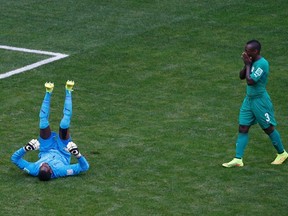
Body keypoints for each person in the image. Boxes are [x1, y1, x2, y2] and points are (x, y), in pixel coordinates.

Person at [222, 39, 288, 168]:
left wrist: (248, 65)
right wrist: (246, 64)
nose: (245, 52)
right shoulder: (251, 61)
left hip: (260, 101)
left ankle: (282, 153)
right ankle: (238, 159)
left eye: (248, 50)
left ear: (255, 51)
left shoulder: (263, 64)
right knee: (243, 127)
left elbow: (250, 81)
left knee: (268, 128)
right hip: (249, 100)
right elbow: (242, 76)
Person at [11, 81, 89, 180]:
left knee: (43, 122)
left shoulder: (33, 169)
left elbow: (14, 159)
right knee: (64, 125)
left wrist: (26, 148)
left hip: (46, 148)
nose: (45, 164)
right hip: (63, 150)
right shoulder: (61, 171)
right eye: (47, 166)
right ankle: (68, 91)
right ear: (51, 172)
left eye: (42, 165)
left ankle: (48, 92)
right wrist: (77, 155)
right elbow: (84, 167)